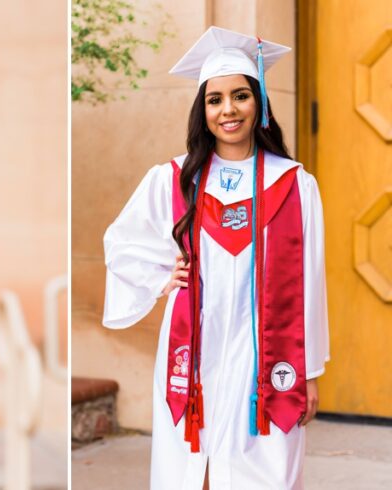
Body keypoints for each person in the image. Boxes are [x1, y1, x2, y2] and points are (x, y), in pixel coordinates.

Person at [101, 26, 329, 490]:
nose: (228, 110)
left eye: (241, 96)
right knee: (192, 465)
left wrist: (310, 372)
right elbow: (122, 243)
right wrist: (164, 275)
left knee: (266, 469)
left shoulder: (294, 183)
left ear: (259, 102)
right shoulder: (174, 178)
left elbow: (311, 281)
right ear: (202, 110)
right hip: (195, 345)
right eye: (214, 99)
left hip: (265, 351)